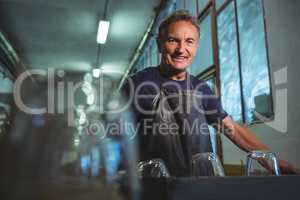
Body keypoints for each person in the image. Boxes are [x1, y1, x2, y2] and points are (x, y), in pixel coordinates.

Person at [122, 10, 299, 176]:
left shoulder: (202, 89)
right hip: (156, 186)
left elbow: (233, 130)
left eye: (189, 41)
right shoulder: (138, 84)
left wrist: (272, 161)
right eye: (172, 40)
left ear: (196, 46)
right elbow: (113, 135)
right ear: (160, 45)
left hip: (202, 184)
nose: (181, 49)